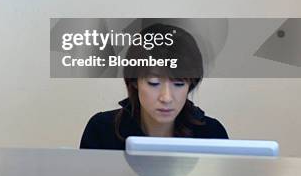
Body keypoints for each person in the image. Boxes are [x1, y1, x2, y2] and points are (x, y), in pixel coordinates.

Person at [80, 23, 228, 150]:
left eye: (178, 83)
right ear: (134, 81)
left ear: (191, 83)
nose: (166, 97)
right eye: (154, 83)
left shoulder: (212, 134)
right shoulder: (102, 130)